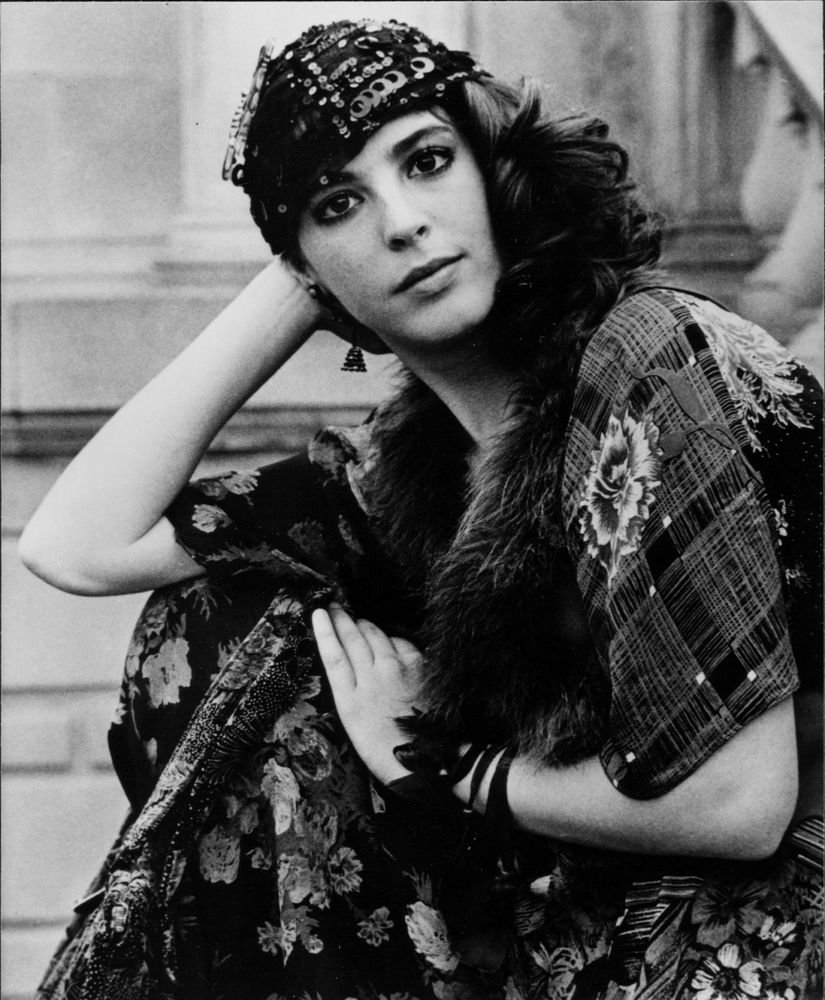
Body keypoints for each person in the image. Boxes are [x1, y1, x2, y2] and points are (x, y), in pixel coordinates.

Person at [21, 18, 822, 1000]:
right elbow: (81, 544)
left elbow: (738, 804)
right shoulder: (413, 466)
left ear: (497, 172)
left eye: (429, 161)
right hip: (586, 942)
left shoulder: (647, 351)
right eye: (340, 203)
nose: (401, 224)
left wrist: (451, 769)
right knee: (215, 618)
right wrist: (303, 281)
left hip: (775, 936)